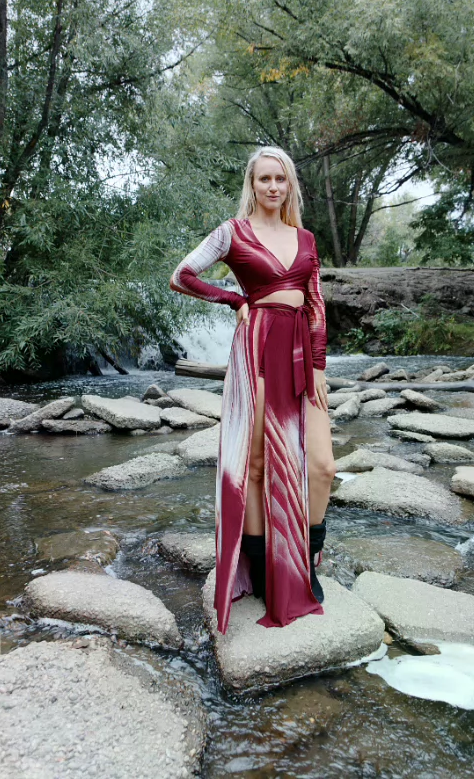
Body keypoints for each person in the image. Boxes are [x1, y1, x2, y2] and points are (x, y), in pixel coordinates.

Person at [170, 146, 335, 634]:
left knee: (322, 466)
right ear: (253, 183)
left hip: (300, 355)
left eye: (280, 179)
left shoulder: (305, 238)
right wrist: (233, 299)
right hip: (258, 349)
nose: (273, 187)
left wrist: (319, 366)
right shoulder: (233, 232)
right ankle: (265, 571)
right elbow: (182, 276)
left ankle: (306, 559)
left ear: (290, 185)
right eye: (265, 179)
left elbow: (315, 303)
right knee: (258, 466)